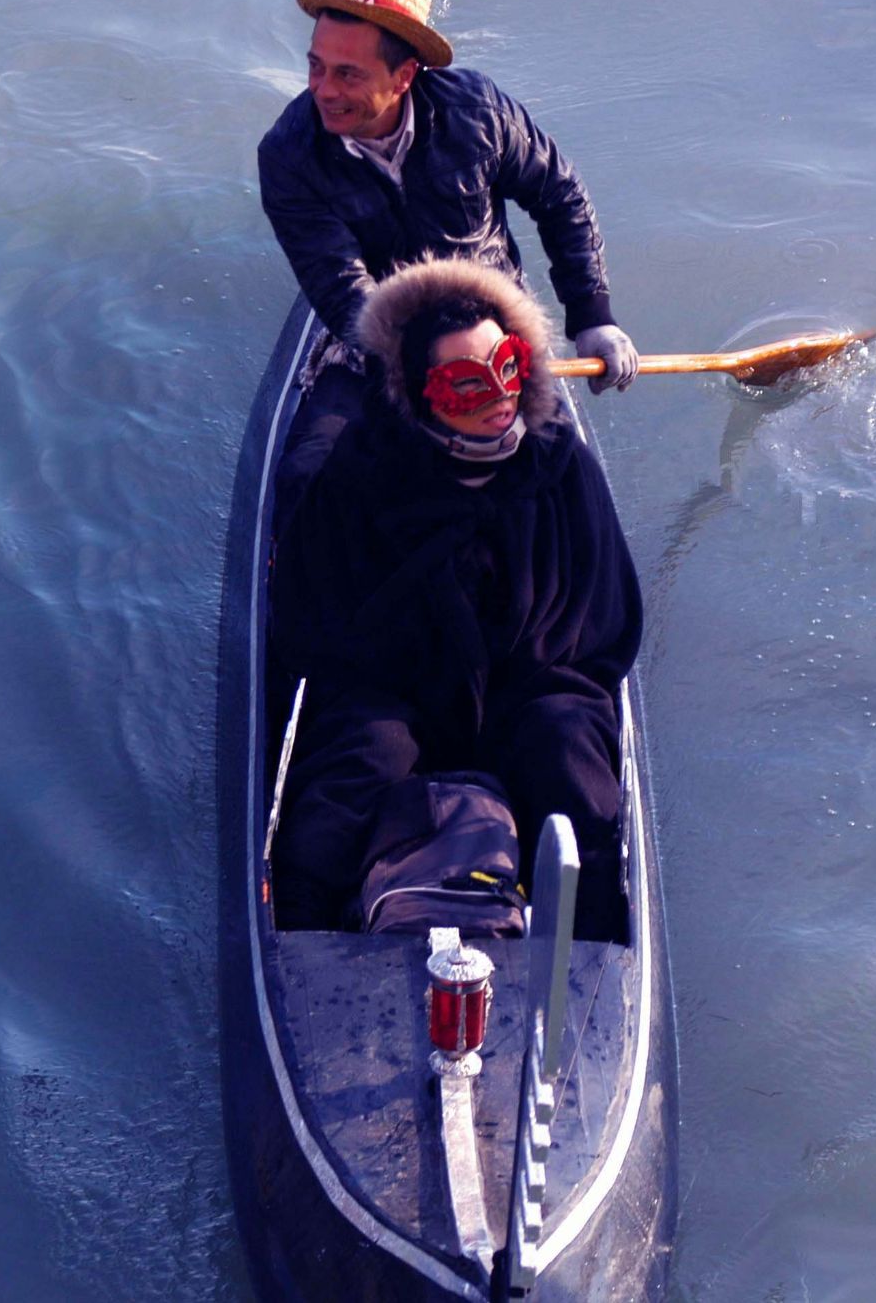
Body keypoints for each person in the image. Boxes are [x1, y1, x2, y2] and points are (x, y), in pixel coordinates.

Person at [268, 258, 642, 941]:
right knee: (350, 772)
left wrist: (525, 673)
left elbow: (598, 622)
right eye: (465, 384)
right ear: (419, 393)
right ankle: (303, 938)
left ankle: (595, 938)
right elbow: (314, 622)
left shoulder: (559, 466)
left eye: (508, 367)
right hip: (394, 693)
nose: (498, 396)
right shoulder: (362, 476)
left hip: (530, 684)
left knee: (567, 753)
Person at [258, 0, 640, 494]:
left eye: (348, 73)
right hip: (374, 340)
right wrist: (427, 375)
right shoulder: (288, 154)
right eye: (316, 66)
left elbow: (560, 195)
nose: (323, 90)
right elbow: (341, 290)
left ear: (405, 77)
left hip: (494, 333)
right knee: (307, 478)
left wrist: (592, 315)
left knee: (564, 482)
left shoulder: (478, 111)